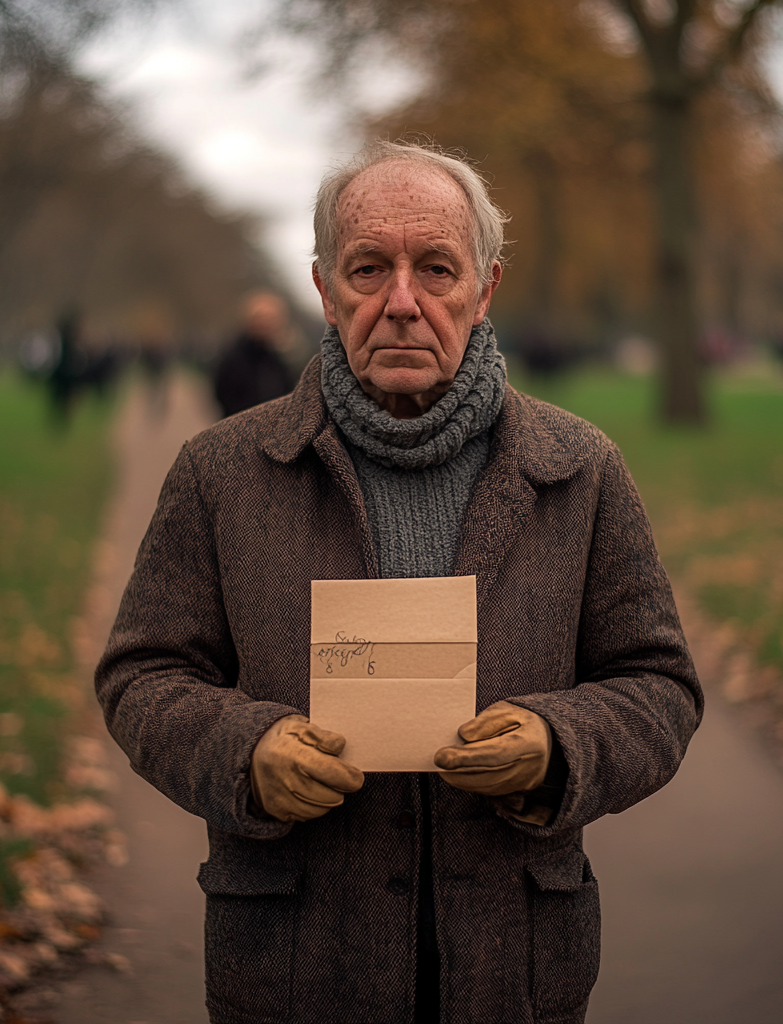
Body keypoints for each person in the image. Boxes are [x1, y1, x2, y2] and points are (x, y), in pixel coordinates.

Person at [97, 140, 702, 1024]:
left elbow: (660, 686)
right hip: (295, 962)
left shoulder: (581, 470)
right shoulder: (220, 471)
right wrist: (244, 752)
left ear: (485, 289)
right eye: (370, 268)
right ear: (326, 290)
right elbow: (140, 675)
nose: (404, 302)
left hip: (516, 966)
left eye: (438, 269)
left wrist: (560, 742)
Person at [213, 291, 295, 418]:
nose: (266, 324)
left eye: (271, 319)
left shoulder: (282, 359)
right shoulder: (233, 356)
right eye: (261, 318)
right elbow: (222, 393)